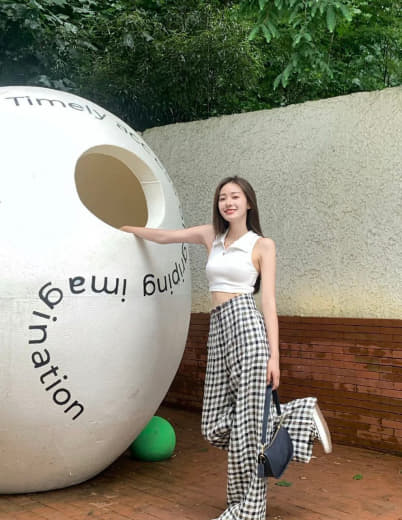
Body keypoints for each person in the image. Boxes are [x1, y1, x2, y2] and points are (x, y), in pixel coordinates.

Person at [121, 175, 332, 520]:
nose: (228, 202)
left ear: (248, 203)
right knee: (214, 425)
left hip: (247, 325)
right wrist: (123, 229)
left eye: (235, 196)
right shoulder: (211, 236)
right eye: (223, 197)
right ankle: (298, 415)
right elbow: (165, 236)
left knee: (250, 429)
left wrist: (275, 358)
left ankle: (247, 509)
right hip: (218, 328)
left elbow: (268, 303)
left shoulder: (262, 245)